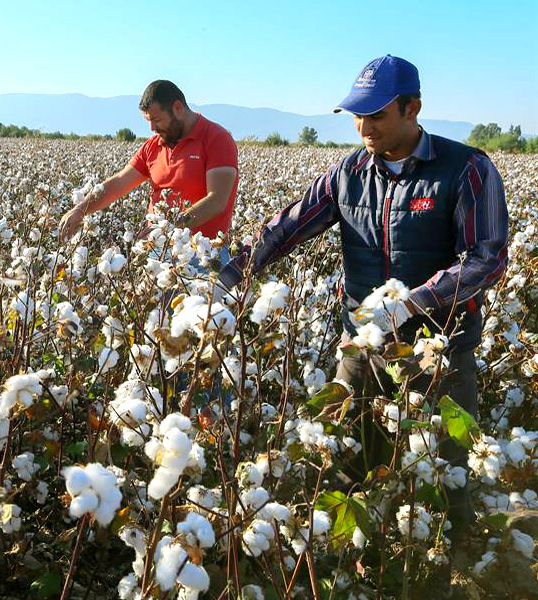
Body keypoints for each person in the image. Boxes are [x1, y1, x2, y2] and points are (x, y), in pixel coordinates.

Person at [217, 55, 509, 556]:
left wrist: (413, 304)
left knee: (446, 461)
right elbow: (288, 228)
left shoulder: (467, 169)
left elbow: (487, 258)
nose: (363, 126)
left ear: (412, 108)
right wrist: (232, 276)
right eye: (357, 115)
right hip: (364, 343)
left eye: (376, 114)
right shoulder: (348, 173)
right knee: (347, 449)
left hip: (439, 350)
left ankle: (452, 563)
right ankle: (359, 557)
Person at [58, 80, 238, 242]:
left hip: (204, 255)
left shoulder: (216, 139)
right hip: (157, 250)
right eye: (148, 121)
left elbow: (217, 200)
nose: (152, 128)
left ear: (178, 108)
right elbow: (120, 182)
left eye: (157, 120)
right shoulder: (153, 146)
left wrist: (166, 229)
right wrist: (81, 209)